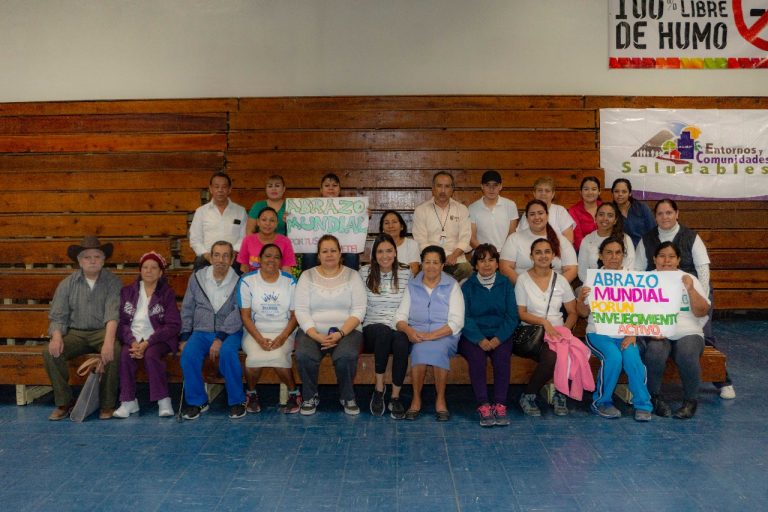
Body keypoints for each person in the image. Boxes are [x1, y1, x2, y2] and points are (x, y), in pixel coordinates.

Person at [634, 198, 735, 399]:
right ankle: (650, 391)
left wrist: (700, 298)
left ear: (677, 213)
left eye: (669, 212)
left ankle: (723, 380)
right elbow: (637, 271)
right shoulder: (646, 239)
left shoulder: (691, 237)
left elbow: (703, 270)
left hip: (692, 293)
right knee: (655, 345)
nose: (665, 217)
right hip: (659, 297)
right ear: (655, 216)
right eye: (660, 213)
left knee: (704, 338)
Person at [43, 236, 122, 421]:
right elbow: (58, 316)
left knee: (115, 351)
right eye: (87, 257)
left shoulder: (113, 282)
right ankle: (64, 402)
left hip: (102, 332)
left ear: (103, 260)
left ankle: (107, 404)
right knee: (50, 352)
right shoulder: (67, 284)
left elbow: (113, 314)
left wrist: (109, 342)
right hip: (75, 333)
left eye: (97, 256)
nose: (92, 260)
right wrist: (56, 337)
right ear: (79, 261)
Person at [576, 237, 652, 421]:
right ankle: (601, 402)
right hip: (598, 333)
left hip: (626, 333)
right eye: (609, 252)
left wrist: (632, 332)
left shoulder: (632, 278)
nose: (614, 257)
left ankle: (643, 404)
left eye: (618, 252)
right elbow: (583, 313)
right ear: (601, 256)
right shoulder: (593, 278)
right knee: (614, 357)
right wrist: (580, 300)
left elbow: (640, 310)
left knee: (633, 358)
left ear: (623, 256)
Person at [515, 238, 593, 416]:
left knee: (572, 350)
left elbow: (573, 312)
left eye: (547, 252)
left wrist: (564, 331)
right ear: (531, 256)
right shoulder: (523, 280)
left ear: (553, 255)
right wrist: (544, 322)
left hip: (559, 332)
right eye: (538, 252)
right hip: (533, 334)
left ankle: (560, 393)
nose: (543, 256)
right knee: (552, 356)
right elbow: (521, 313)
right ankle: (528, 395)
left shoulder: (561, 281)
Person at [294, 235, 367, 415]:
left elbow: (359, 310)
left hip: (347, 330)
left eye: (333, 250)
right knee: (304, 355)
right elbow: (301, 310)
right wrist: (316, 335)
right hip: (312, 330)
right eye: (324, 251)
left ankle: (347, 396)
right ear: (318, 255)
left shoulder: (353, 275)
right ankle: (310, 396)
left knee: (346, 356)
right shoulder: (306, 275)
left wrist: (341, 333)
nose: (329, 255)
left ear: (340, 253)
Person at [640, 242, 710, 419]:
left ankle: (690, 401)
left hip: (688, 330)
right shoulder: (644, 280)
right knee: (655, 351)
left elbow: (702, 311)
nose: (666, 260)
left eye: (671, 256)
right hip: (656, 330)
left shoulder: (689, 278)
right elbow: (636, 313)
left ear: (678, 260)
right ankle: (654, 397)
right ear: (654, 259)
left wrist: (691, 289)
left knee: (687, 352)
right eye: (662, 256)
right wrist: (649, 329)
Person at [395, 246, 464, 421]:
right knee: (419, 350)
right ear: (421, 264)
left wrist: (432, 336)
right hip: (417, 333)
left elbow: (456, 322)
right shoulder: (412, 284)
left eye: (435, 262)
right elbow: (400, 317)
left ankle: (440, 399)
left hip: (445, 334)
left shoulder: (452, 286)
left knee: (437, 349)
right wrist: (409, 330)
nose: (431, 266)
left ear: (442, 265)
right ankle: (416, 399)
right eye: (427, 262)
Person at [179, 241, 245, 420]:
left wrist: (220, 338)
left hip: (230, 332)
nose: (220, 260)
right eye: (216, 255)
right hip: (201, 331)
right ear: (211, 257)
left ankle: (237, 401)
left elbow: (238, 311)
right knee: (188, 356)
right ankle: (197, 401)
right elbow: (187, 308)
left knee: (228, 353)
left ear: (232, 259)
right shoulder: (197, 278)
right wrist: (185, 336)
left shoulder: (240, 280)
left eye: (225, 256)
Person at [114, 251, 181, 418]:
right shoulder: (127, 292)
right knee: (124, 355)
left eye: (153, 267)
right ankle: (128, 401)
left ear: (160, 272)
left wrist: (148, 342)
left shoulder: (166, 293)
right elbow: (121, 323)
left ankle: (163, 400)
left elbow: (173, 325)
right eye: (145, 267)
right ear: (140, 270)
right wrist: (132, 342)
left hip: (159, 339)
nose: (148, 271)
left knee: (151, 355)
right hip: (134, 339)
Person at [459, 243, 519, 427]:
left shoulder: (506, 284)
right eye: (482, 260)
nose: (487, 264)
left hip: (500, 335)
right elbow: (464, 316)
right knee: (477, 359)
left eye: (491, 260)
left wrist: (498, 338)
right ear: (475, 264)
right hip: (473, 336)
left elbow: (512, 316)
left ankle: (500, 404)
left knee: (502, 358)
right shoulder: (467, 286)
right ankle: (483, 405)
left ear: (497, 263)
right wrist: (480, 339)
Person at [238, 244, 301, 414]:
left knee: (279, 356)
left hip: (284, 331)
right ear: (259, 259)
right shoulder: (247, 281)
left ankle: (294, 393)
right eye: (267, 256)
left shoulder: (290, 282)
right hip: (255, 331)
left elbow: (295, 316)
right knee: (253, 359)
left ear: (281, 261)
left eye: (276, 257)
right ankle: (251, 394)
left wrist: (282, 337)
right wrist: (259, 339)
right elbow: (245, 316)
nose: (271, 260)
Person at [359, 234, 412, 419]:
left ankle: (396, 396)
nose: (385, 255)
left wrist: (401, 326)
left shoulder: (406, 273)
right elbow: (359, 305)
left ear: (395, 253)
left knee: (401, 341)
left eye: (389, 250)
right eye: (380, 251)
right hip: (373, 326)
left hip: (398, 324)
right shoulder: (364, 272)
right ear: (374, 255)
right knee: (383, 331)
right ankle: (379, 389)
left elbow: (408, 305)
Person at [412, 171, 472, 282]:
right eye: (439, 186)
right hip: (431, 260)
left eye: (447, 186)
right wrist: (436, 259)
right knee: (426, 272)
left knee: (467, 269)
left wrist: (454, 255)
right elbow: (420, 240)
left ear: (452, 189)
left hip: (455, 259)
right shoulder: (421, 210)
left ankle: (447, 288)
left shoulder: (461, 209)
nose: (443, 191)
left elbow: (465, 237)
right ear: (433, 188)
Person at [500, 200, 578, 284]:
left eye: (540, 213)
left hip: (555, 291)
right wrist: (524, 286)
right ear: (527, 218)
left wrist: (555, 288)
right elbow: (505, 267)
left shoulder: (561, 240)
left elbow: (572, 270)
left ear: (547, 215)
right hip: (523, 289)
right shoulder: (514, 239)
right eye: (532, 214)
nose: (537, 217)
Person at [299, 173, 361, 270]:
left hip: (342, 247)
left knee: (352, 255)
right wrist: (290, 218)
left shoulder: (349, 207)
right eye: (327, 186)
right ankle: (308, 283)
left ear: (339, 189)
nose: (331, 188)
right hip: (318, 247)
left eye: (335, 185)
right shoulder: (311, 207)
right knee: (309, 254)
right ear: (321, 190)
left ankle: (351, 282)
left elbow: (357, 225)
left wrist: (363, 214)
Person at [189, 171, 247, 271]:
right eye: (216, 186)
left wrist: (233, 252)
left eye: (224, 187)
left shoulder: (240, 211)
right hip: (207, 258)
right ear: (211, 189)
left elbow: (244, 237)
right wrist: (207, 255)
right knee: (199, 268)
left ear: (229, 189)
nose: (220, 190)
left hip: (232, 258)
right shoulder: (201, 211)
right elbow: (195, 239)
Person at [577, 202, 635, 284]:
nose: (605, 218)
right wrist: (595, 284)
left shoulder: (625, 239)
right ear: (595, 218)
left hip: (622, 285)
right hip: (594, 286)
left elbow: (630, 267)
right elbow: (582, 271)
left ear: (615, 220)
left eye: (610, 215)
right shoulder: (587, 239)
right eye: (601, 214)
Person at [469, 170, 519, 252]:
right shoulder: (472, 208)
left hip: (505, 253)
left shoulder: (510, 205)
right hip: (481, 254)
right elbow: (472, 238)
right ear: (482, 186)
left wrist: (504, 253)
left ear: (500, 186)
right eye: (487, 185)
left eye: (495, 185)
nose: (491, 189)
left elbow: (512, 234)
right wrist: (487, 255)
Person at [237, 206, 296, 274]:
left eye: (272, 220)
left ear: (276, 224)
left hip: (276, 280)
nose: (268, 224)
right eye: (264, 220)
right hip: (253, 281)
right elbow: (244, 267)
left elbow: (286, 269)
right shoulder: (248, 240)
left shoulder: (285, 241)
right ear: (258, 222)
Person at [517, 176, 575, 243]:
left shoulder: (560, 211)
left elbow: (569, 239)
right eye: (540, 190)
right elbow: (519, 237)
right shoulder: (528, 213)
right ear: (534, 193)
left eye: (547, 191)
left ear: (553, 194)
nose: (543, 193)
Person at [611, 178, 654, 247]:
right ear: (612, 193)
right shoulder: (610, 211)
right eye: (616, 191)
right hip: (622, 252)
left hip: (645, 249)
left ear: (630, 193)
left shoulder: (641, 208)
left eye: (624, 191)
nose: (620, 194)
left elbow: (653, 231)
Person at [379, 209, 420, 275]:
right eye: (386, 223)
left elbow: (414, 271)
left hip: (405, 283)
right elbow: (375, 268)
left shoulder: (412, 244)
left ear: (401, 226)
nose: (390, 226)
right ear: (382, 229)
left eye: (394, 222)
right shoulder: (377, 244)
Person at [568, 176, 603, 251]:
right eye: (586, 189)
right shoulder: (573, 211)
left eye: (594, 189)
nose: (590, 192)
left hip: (606, 250)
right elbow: (578, 239)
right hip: (583, 251)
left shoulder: (606, 208)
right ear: (580, 192)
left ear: (599, 191)